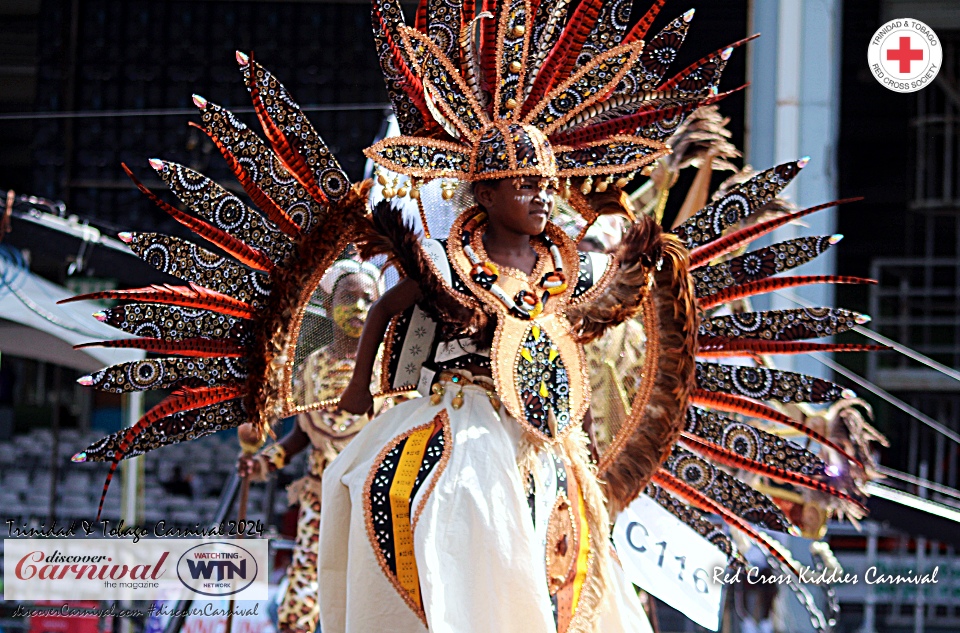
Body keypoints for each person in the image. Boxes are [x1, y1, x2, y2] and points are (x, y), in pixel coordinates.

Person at [238, 259, 383, 633]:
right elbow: (301, 435)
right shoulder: (310, 367)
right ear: (330, 303)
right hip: (318, 498)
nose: (358, 308)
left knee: (367, 584)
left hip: (369, 498)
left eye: (368, 299)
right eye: (348, 297)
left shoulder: (387, 369)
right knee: (307, 580)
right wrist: (265, 464)